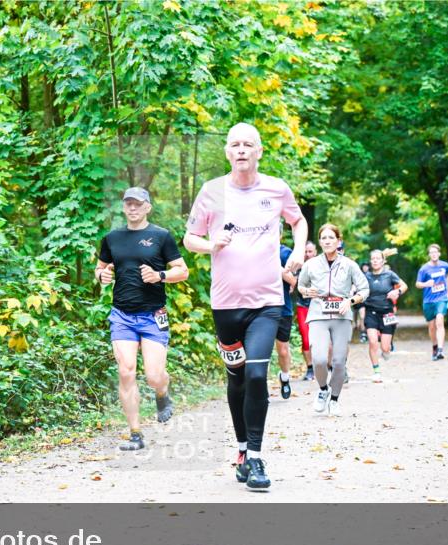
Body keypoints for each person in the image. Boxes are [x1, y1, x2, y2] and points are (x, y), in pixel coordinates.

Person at [183, 122, 308, 490]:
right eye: (234, 144)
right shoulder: (212, 192)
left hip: (267, 301)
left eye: (248, 144)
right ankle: (240, 450)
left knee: (256, 374)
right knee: (236, 378)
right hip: (225, 306)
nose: (241, 150)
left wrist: (298, 252)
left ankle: (255, 457)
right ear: (227, 152)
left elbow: (298, 222)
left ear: (259, 151)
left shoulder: (276, 188)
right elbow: (189, 238)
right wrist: (211, 245)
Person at [96, 187, 189, 451]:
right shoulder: (112, 238)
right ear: (123, 207)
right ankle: (135, 434)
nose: (133, 208)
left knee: (153, 375)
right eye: (128, 204)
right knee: (126, 371)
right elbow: (101, 268)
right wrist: (100, 276)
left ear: (148, 207)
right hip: (122, 315)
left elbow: (182, 271)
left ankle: (162, 394)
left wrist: (160, 276)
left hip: (152, 315)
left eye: (138, 204)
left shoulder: (161, 236)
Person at [297, 224, 368, 416]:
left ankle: (335, 399)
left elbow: (364, 289)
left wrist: (350, 301)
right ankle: (322, 390)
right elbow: (300, 285)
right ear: (320, 241)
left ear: (338, 240)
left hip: (342, 316)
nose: (327, 241)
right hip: (318, 314)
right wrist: (305, 291)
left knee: (338, 362)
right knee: (319, 359)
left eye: (331, 238)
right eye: (324, 238)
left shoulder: (349, 265)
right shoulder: (310, 264)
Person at [363, 249, 408, 382]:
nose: (375, 261)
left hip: (387, 313)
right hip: (371, 312)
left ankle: (386, 351)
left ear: (383, 261)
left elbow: (404, 285)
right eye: (373, 259)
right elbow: (357, 288)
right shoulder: (366, 276)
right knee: (372, 341)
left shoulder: (390, 274)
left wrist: (397, 292)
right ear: (371, 261)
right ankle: (376, 371)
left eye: (378, 258)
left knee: (385, 348)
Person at [416, 243, 448, 361]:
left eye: (436, 252)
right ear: (429, 255)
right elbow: (417, 284)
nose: (434, 254)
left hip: (441, 298)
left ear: (439, 254)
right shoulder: (424, 269)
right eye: (431, 253)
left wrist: (447, 292)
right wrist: (426, 284)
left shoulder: (445, 265)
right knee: (431, 327)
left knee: (440, 321)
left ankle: (440, 350)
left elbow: (446, 276)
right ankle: (435, 346)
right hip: (428, 300)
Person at [276, 241, 297, 399]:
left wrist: (274, 265)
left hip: (283, 308)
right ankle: (259, 386)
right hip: (259, 308)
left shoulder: (285, 253)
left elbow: (293, 281)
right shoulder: (254, 247)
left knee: (283, 351)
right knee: (260, 349)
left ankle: (284, 377)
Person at [294, 241, 316, 381]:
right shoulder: (298, 266)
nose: (308, 254)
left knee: (324, 339)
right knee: (306, 339)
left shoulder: (323, 265)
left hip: (319, 306)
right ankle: (310, 368)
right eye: (305, 252)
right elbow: (291, 281)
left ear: (315, 252)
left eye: (310, 251)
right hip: (303, 305)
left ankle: (328, 366)